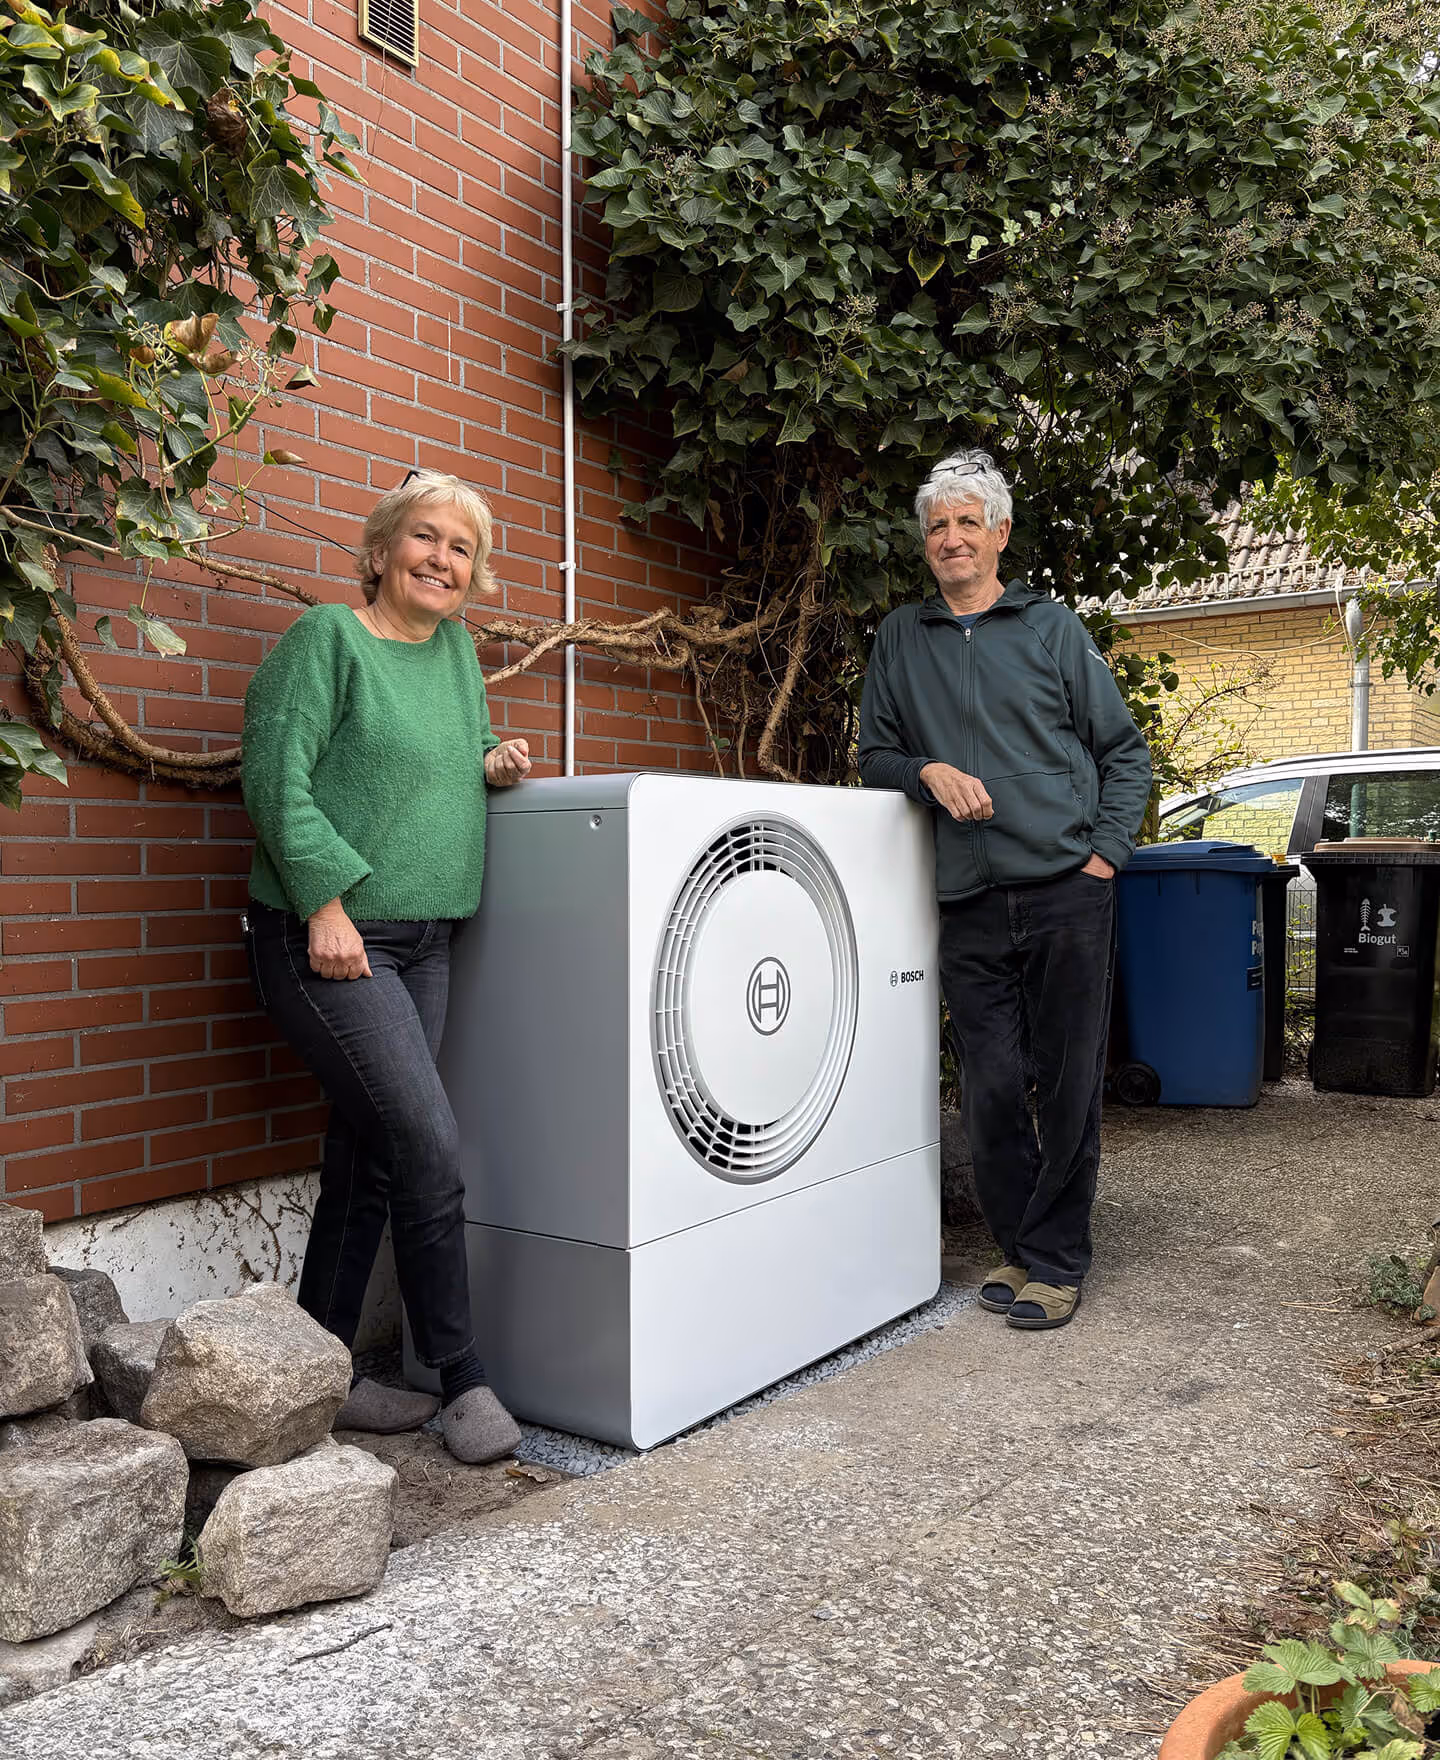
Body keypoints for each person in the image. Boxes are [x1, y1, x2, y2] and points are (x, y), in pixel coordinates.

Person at [241, 470, 533, 1460]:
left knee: (368, 1158)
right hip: (328, 933)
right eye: (424, 537)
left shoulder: (456, 654)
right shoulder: (329, 639)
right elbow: (273, 769)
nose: (442, 559)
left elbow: (456, 745)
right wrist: (323, 900)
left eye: (460, 547)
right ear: (379, 551)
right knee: (425, 1145)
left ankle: (322, 1374)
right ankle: (462, 1378)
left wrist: (493, 757)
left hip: (427, 937)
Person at [858, 449, 1152, 1330]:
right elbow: (874, 756)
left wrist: (1103, 858)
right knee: (989, 1084)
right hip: (967, 899)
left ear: (1000, 535)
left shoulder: (1050, 628)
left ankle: (1057, 1260)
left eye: (966, 523)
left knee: (1066, 1082)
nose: (951, 539)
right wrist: (925, 771)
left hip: (1067, 889)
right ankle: (1020, 1247)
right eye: (937, 526)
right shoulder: (900, 639)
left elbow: (1122, 752)